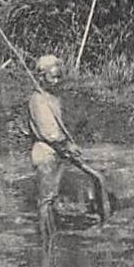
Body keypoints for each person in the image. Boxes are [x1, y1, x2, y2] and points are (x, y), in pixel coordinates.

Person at [27, 54, 81, 246]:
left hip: (55, 153)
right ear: (41, 77)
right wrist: (67, 146)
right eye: (53, 77)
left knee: (52, 198)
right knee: (46, 201)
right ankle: (45, 242)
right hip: (45, 152)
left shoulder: (53, 98)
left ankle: (52, 238)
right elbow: (49, 132)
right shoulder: (38, 100)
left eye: (59, 77)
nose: (57, 81)